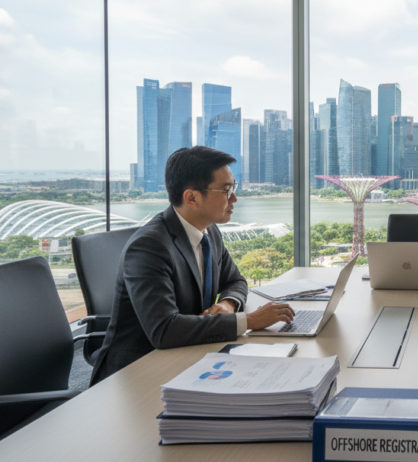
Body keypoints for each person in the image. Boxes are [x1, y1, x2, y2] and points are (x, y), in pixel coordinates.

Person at [90, 146, 295, 385]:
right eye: (226, 190)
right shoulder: (149, 246)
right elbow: (164, 330)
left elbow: (235, 280)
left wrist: (228, 304)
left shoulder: (209, 231)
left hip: (192, 356)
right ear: (191, 197)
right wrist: (249, 321)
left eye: (234, 188)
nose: (235, 199)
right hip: (137, 373)